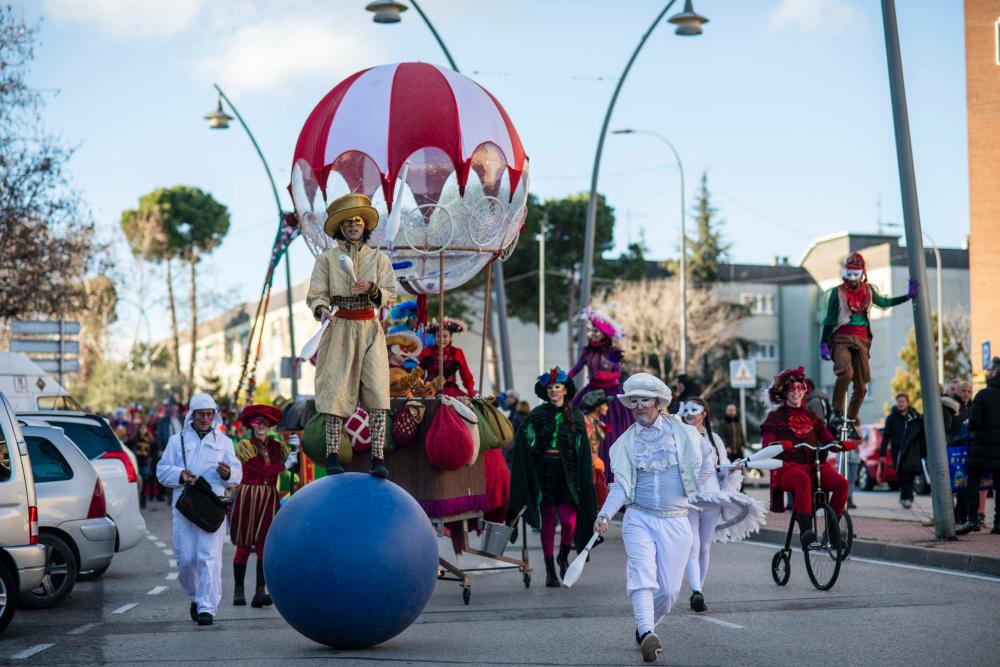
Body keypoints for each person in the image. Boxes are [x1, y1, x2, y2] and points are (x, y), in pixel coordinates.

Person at [593, 373, 701, 662]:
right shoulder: (625, 444)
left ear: (658, 403)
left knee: (668, 591)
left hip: (677, 521)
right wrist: (605, 514)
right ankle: (645, 630)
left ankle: (646, 626)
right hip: (639, 518)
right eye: (634, 402)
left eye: (645, 401)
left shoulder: (685, 435)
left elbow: (703, 470)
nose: (640, 406)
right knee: (642, 574)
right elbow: (621, 486)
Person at [306, 193, 397, 478]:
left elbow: (390, 292)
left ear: (364, 226)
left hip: (369, 328)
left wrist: (372, 289)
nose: (353, 226)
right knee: (334, 393)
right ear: (340, 228)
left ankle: (378, 458)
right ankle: (333, 456)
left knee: (377, 391)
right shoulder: (326, 260)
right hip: (339, 327)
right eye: (347, 222)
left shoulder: (379, 260)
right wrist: (322, 310)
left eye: (357, 221)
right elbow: (316, 294)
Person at [156, 393, 242, 626]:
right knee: (186, 558)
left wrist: (228, 475)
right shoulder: (177, 441)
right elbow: (162, 470)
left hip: (212, 507)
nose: (205, 418)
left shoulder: (224, 442)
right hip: (185, 507)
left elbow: (236, 473)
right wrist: (180, 475)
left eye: (208, 414)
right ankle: (195, 597)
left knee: (209, 557)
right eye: (200, 414)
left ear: (214, 415)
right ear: (192, 415)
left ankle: (207, 607)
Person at [508, 368, 597, 588]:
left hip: (568, 475)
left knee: (568, 520)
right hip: (544, 472)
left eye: (557, 387)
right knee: (548, 521)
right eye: (550, 388)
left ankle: (563, 555)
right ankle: (549, 570)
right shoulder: (536, 415)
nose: (554, 392)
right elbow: (526, 441)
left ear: (565, 390)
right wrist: (525, 437)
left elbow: (581, 449)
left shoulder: (576, 416)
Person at [679, 398, 765, 614]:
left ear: (704, 414)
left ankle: (699, 590)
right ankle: (696, 590)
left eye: (694, 410)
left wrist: (733, 469)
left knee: (705, 546)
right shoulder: (677, 437)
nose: (689, 413)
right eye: (686, 409)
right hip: (688, 498)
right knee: (693, 543)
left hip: (712, 498)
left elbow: (721, 470)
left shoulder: (714, 440)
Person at [820, 252, 918, 439]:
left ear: (862, 273)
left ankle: (850, 420)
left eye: (855, 274)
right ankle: (836, 413)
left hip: (862, 340)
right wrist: (823, 343)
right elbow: (830, 319)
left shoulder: (868, 291)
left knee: (862, 386)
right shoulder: (837, 292)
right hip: (841, 337)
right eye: (848, 274)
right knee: (845, 373)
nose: (852, 279)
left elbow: (885, 302)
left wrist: (907, 296)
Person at [759, 367, 848, 549]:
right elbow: (766, 447)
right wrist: (779, 445)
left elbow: (828, 439)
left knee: (842, 484)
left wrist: (839, 445)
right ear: (784, 392)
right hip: (786, 469)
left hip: (814, 467)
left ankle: (832, 532)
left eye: (800, 389)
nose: (796, 393)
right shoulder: (775, 417)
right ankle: (807, 530)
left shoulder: (812, 416)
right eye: (792, 389)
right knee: (801, 479)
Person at [230, 404, 298, 608]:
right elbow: (257, 469)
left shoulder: (278, 447)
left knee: (264, 545)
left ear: (269, 426)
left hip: (269, 497)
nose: (260, 426)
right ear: (251, 425)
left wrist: (296, 449)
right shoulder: (244, 445)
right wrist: (283, 466)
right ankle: (239, 590)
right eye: (257, 422)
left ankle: (260, 592)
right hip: (249, 496)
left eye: (265, 422)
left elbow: (296, 464)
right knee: (244, 544)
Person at [569, 307, 634, 480]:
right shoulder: (586, 351)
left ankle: (611, 475)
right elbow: (576, 369)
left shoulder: (612, 352)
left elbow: (617, 373)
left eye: (596, 331)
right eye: (592, 331)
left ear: (604, 334)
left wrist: (604, 375)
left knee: (612, 433)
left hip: (611, 396)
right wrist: (564, 379)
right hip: (590, 393)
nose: (593, 334)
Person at [957, 358, 1000, 535]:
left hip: (981, 448)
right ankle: (998, 524)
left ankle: (973, 519)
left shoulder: (982, 395)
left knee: (973, 481)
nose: (988, 372)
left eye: (990, 369)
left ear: (995, 372)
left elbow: (974, 422)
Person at [880, 393, 920, 509]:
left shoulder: (914, 415)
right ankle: (907, 497)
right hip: (897, 450)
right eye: (899, 401)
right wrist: (882, 454)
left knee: (910, 473)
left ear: (907, 403)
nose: (901, 403)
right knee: (901, 473)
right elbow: (886, 436)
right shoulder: (891, 418)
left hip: (912, 449)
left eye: (903, 401)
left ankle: (906, 497)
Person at [419, 318, 475, 397]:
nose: (441, 339)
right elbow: (419, 375)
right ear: (435, 337)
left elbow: (466, 374)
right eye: (438, 336)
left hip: (451, 392)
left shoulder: (457, 352)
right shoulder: (426, 352)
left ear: (450, 337)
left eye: (445, 336)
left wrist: (471, 391)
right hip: (430, 392)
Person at [581, 390, 611, 509]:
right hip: (588, 467)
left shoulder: (595, 421)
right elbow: (581, 446)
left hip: (594, 467)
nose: (607, 407)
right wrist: (593, 458)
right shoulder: (587, 421)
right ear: (596, 407)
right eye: (604, 404)